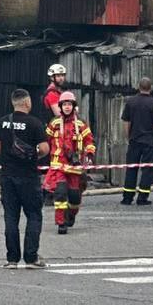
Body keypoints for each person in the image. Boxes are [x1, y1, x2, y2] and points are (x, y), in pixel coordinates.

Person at [0, 87, 50, 268]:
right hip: (28, 176)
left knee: (11, 217)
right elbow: (44, 149)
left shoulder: (3, 122)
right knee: (34, 215)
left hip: (8, 176)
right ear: (27, 102)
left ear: (13, 103)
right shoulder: (35, 123)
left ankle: (12, 259)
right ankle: (31, 257)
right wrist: (33, 157)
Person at [43, 90, 96, 234]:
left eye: (69, 104)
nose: (67, 107)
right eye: (64, 104)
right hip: (59, 166)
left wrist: (90, 154)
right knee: (60, 194)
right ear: (60, 106)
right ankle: (61, 223)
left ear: (74, 106)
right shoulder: (54, 123)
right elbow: (45, 141)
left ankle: (71, 215)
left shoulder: (80, 124)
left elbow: (89, 141)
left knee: (74, 198)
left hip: (75, 168)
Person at [120, 77, 153, 206]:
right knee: (147, 170)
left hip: (134, 140)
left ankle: (127, 197)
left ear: (138, 87)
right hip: (149, 142)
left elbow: (126, 123)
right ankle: (142, 198)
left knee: (131, 168)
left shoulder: (130, 102)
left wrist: (128, 137)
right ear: (151, 88)